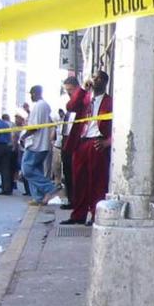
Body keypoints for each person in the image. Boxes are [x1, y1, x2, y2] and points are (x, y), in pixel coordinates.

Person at [62, 70, 112, 225]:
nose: (95, 81)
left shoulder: (110, 102)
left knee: (96, 181)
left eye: (98, 79)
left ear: (104, 82)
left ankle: (95, 214)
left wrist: (107, 142)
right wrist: (82, 89)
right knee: (79, 180)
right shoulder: (84, 98)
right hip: (81, 142)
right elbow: (70, 106)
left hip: (97, 143)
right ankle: (78, 214)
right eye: (93, 78)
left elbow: (119, 126)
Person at [20, 85, 57, 206]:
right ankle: (38, 197)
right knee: (36, 169)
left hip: (35, 144)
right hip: (43, 144)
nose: (31, 96)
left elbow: (34, 126)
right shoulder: (44, 106)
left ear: (35, 93)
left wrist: (24, 136)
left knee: (27, 169)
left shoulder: (39, 105)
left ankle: (49, 188)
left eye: (31, 94)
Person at [61, 76, 85, 209]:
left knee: (74, 174)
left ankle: (75, 200)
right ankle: (71, 199)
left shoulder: (80, 99)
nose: (68, 93)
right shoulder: (72, 102)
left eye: (70, 90)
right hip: (67, 141)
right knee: (68, 173)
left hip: (75, 142)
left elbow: (72, 106)